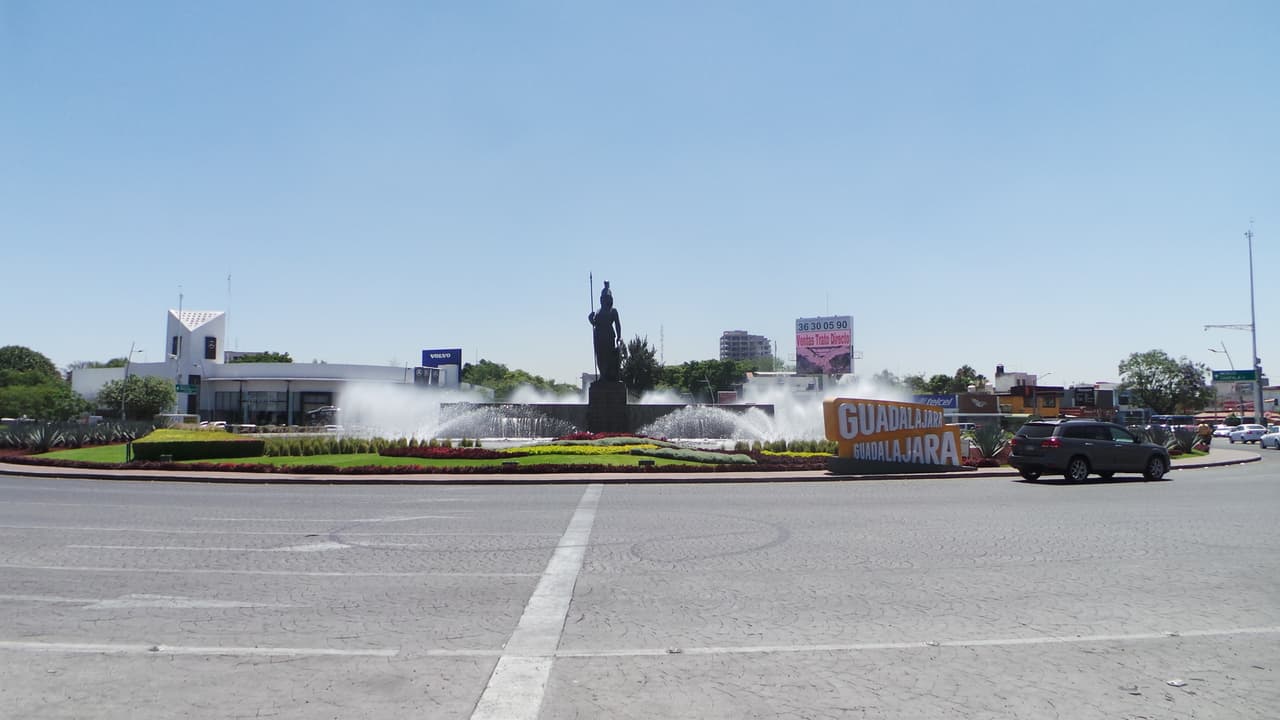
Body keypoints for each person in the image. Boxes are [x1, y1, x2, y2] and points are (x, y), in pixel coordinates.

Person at [588, 281, 623, 382]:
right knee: (600, 356)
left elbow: (617, 324)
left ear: (610, 299)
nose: (605, 300)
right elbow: (595, 323)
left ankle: (609, 376)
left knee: (609, 356)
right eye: (603, 298)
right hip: (599, 336)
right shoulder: (598, 311)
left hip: (609, 336)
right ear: (601, 299)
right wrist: (590, 319)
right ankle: (602, 375)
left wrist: (619, 336)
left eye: (607, 298)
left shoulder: (613, 311)